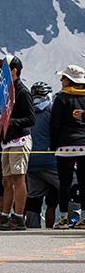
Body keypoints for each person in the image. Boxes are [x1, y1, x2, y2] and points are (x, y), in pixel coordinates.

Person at [0, 57, 36, 231]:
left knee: (18, 178)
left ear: (13, 71)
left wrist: (10, 121)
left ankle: (19, 217)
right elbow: (0, 114)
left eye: (3, 70)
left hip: (19, 139)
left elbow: (31, 119)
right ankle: (4, 216)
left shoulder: (22, 91)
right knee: (6, 180)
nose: (1, 74)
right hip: (7, 141)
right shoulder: (6, 91)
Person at [49, 65, 85, 229]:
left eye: (63, 78)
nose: (60, 80)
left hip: (64, 146)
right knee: (84, 182)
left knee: (64, 183)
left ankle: (63, 219)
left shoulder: (61, 97)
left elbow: (55, 124)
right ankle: (83, 218)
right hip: (84, 144)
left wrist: (54, 145)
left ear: (69, 80)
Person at [24, 81, 60, 228]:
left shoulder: (27, 112)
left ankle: (33, 227)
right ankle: (74, 221)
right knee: (72, 187)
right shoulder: (52, 110)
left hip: (30, 162)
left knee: (33, 197)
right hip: (52, 161)